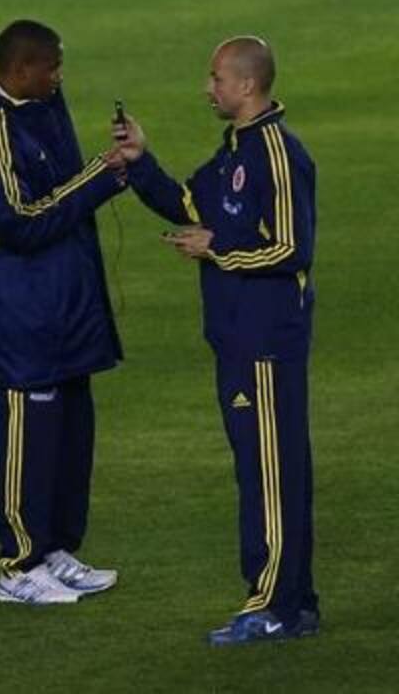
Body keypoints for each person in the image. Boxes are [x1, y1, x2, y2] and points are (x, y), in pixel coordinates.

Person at [105, 36, 319, 644]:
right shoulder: (236, 149)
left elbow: (291, 246)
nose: (209, 88)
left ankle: (274, 606)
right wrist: (141, 161)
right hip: (237, 338)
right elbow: (188, 202)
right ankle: (295, 604)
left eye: (217, 78)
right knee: (270, 471)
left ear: (247, 85)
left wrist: (216, 247)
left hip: (265, 342)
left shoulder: (277, 152)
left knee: (269, 476)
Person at [0, 20, 125, 605]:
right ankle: (18, 567)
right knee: (24, 440)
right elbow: (19, 222)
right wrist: (103, 176)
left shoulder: (41, 104)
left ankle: (55, 550)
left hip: (62, 306)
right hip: (13, 317)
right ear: (20, 71)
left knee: (70, 435)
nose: (59, 76)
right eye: (51, 67)